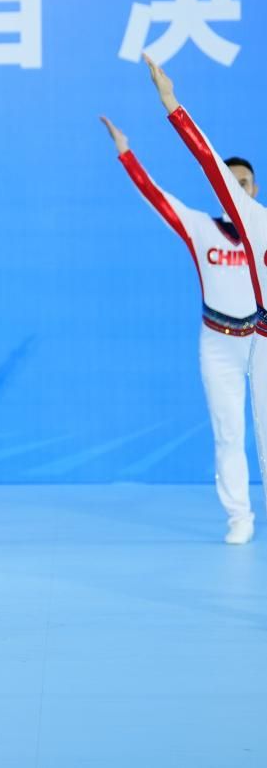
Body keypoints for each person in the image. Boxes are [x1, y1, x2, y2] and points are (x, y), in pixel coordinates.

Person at [147, 54, 267, 542]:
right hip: (233, 338)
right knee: (231, 432)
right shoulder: (237, 221)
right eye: (232, 186)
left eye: (244, 184)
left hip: (258, 340)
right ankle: (239, 515)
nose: (237, 190)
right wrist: (171, 103)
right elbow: (207, 161)